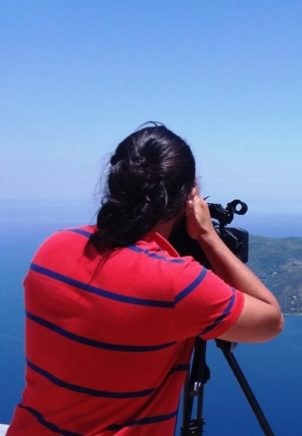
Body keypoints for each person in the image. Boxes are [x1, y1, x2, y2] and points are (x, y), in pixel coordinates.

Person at [7, 123, 284, 435]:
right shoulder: (175, 283)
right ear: (186, 199)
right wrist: (208, 237)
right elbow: (270, 320)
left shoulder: (52, 248)